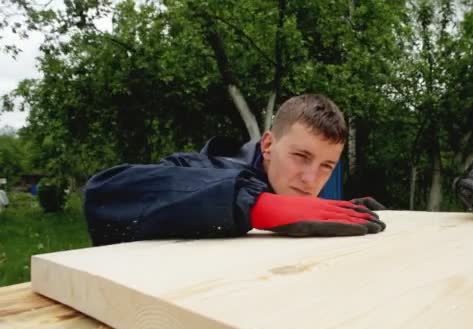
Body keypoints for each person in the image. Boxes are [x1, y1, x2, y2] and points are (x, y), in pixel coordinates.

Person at [84, 94, 387, 246]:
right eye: (300, 156)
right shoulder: (201, 167)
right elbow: (103, 191)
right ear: (268, 145)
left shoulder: (290, 186)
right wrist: (251, 204)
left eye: (326, 166)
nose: (310, 179)